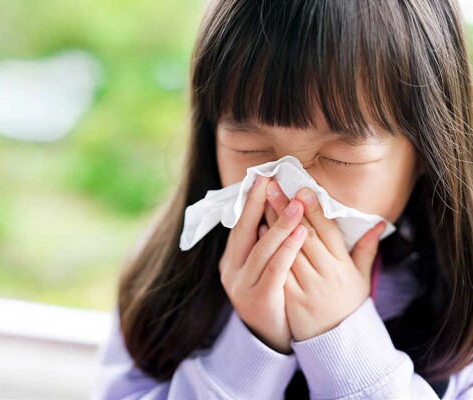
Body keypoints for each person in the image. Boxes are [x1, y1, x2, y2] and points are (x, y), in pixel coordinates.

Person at [92, 0, 473, 398]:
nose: (292, 194)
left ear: (429, 151)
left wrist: (343, 343)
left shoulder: (460, 308)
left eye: (341, 157)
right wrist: (249, 349)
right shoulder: (167, 283)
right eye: (250, 148)